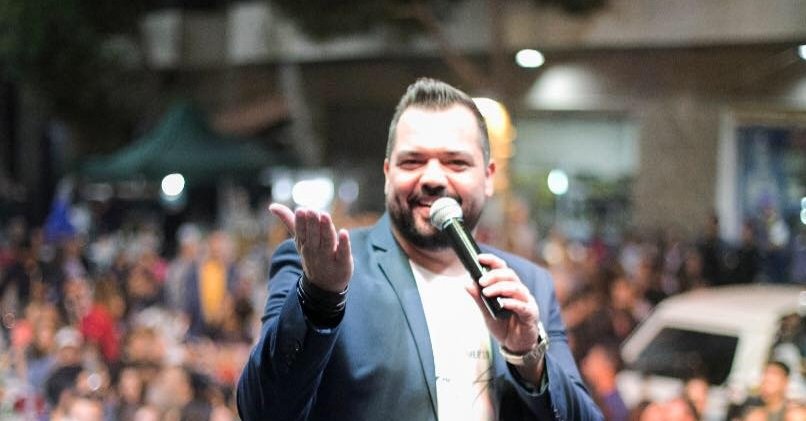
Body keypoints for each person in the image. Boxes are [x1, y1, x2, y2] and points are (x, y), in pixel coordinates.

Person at [236, 78, 602, 420]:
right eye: (413, 161)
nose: (433, 178)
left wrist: (529, 357)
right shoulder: (323, 268)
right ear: (387, 173)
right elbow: (262, 410)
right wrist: (320, 299)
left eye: (456, 162)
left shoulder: (528, 284)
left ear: (488, 177)